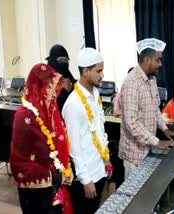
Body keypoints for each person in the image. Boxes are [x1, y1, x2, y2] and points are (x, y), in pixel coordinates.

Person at [10, 63, 73, 214]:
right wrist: (57, 178)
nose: (52, 97)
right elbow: (19, 166)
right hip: (36, 195)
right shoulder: (24, 116)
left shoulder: (48, 111)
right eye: (49, 92)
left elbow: (58, 144)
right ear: (38, 90)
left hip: (55, 189)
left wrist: (66, 170)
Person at [118, 38, 174, 178]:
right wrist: (158, 142)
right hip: (134, 156)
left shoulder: (152, 79)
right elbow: (132, 124)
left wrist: (165, 129)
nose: (160, 64)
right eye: (158, 60)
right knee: (135, 198)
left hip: (148, 150)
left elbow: (155, 108)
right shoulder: (131, 83)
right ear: (146, 60)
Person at [62, 47, 112, 214]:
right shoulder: (73, 104)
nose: (102, 75)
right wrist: (85, 180)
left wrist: (106, 159)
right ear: (85, 71)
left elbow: (99, 130)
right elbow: (74, 148)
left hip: (99, 169)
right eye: (99, 70)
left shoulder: (95, 94)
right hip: (85, 177)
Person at [46, 44, 77, 114]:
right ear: (53, 61)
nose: (63, 63)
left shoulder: (70, 79)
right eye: (60, 60)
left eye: (65, 60)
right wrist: (64, 91)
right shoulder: (45, 81)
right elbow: (49, 107)